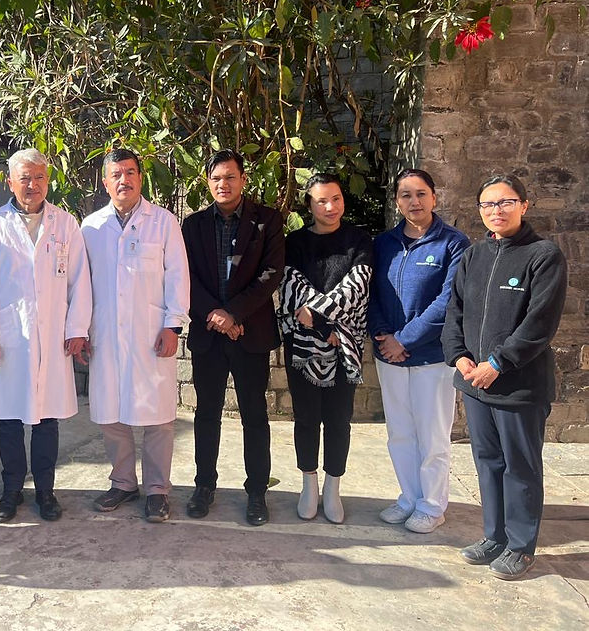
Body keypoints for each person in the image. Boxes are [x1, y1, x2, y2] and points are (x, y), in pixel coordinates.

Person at [442, 174, 567, 580]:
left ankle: (520, 546)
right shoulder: (474, 256)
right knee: (488, 461)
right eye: (488, 205)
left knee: (521, 467)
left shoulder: (542, 256)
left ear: (524, 205)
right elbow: (454, 311)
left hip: (517, 386)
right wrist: (459, 357)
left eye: (505, 202)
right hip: (475, 384)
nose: (497, 211)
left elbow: (539, 323)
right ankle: (494, 535)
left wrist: (497, 363)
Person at [0, 149, 91, 522]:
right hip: (8, 339)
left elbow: (80, 283)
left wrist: (77, 330)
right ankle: (10, 492)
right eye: (24, 178)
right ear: (10, 182)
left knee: (47, 419)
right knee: (9, 419)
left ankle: (45, 491)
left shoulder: (66, 224)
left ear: (48, 181)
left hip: (53, 338)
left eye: (39, 177)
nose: (32, 185)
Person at [82, 149, 190, 523]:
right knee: (110, 414)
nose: (123, 180)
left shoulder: (163, 222)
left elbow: (177, 275)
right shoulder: (90, 227)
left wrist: (173, 324)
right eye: (116, 174)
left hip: (151, 335)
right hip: (106, 336)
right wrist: (81, 330)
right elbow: (82, 284)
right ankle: (123, 482)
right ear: (105, 181)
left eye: (130, 172)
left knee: (158, 417)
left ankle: (158, 489)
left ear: (140, 178)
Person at [181, 149, 284, 525]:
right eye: (216, 179)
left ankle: (257, 491)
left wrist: (234, 313)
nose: (223, 184)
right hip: (209, 335)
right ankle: (204, 485)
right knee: (206, 414)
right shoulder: (191, 226)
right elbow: (185, 277)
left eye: (230, 177)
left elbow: (272, 272)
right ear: (207, 183)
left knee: (254, 416)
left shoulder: (267, 221)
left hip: (250, 333)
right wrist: (216, 315)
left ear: (243, 179)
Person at [368, 169, 469, 534]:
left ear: (434, 198)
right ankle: (409, 496)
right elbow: (373, 294)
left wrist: (404, 340)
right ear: (397, 201)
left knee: (433, 433)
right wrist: (382, 335)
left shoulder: (453, 243)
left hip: (431, 357)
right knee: (400, 432)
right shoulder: (384, 244)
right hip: (388, 355)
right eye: (406, 195)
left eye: (421, 194)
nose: (415, 202)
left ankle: (432, 504)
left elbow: (447, 301)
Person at [279, 173, 372, 524]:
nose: (330, 207)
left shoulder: (358, 240)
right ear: (309, 205)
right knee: (305, 417)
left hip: (343, 343)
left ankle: (333, 487)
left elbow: (357, 288)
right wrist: (323, 325)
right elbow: (292, 288)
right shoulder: (295, 241)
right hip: (302, 344)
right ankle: (308, 483)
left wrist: (328, 325)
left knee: (338, 419)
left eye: (335, 198)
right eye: (321, 201)